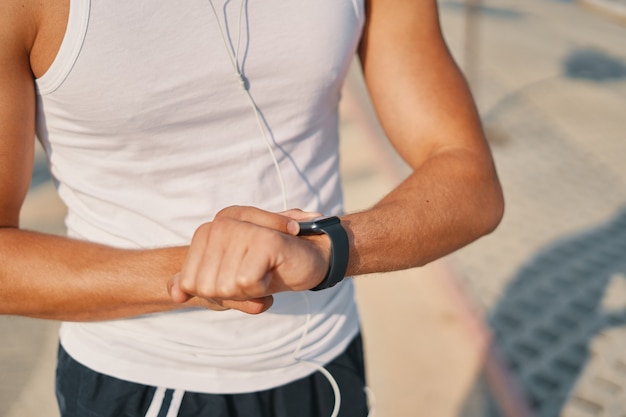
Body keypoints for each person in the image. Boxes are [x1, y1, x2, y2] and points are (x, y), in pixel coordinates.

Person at [0, 0, 504, 416]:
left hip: (328, 360)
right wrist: (197, 274)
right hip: (144, 374)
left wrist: (326, 248)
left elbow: (469, 178)